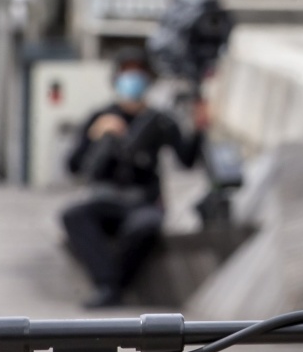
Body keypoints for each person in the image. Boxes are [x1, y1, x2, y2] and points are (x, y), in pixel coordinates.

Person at [61, 48, 208, 308]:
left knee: (145, 226)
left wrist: (199, 129)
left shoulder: (159, 121)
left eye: (139, 74)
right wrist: (96, 136)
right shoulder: (101, 116)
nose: (133, 80)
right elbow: (73, 166)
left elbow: (186, 160)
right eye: (127, 74)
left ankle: (111, 287)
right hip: (104, 199)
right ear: (116, 78)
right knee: (73, 216)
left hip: (143, 201)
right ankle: (109, 285)